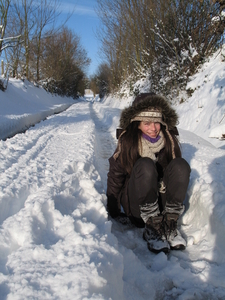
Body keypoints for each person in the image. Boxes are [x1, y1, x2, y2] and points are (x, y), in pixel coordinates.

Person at [106, 93, 191, 253]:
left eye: (157, 123)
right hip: (138, 205)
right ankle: (152, 228)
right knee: (145, 165)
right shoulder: (128, 142)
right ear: (136, 123)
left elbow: (174, 177)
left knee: (180, 165)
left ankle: (170, 224)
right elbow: (115, 176)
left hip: (162, 202)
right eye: (147, 123)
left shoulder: (168, 139)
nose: (153, 128)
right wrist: (113, 209)